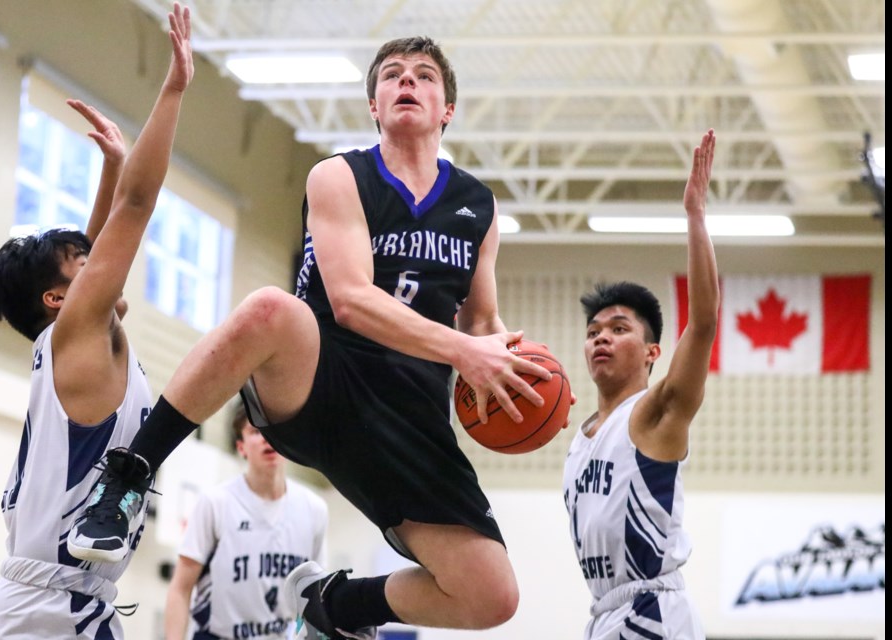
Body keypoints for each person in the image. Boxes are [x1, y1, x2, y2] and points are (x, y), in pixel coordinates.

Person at [68, 35, 555, 639]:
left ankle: (339, 605)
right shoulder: (338, 175)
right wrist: (465, 349)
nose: (408, 82)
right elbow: (350, 301)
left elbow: (480, 320)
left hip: (412, 411)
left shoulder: (476, 205)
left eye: (425, 76)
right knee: (273, 308)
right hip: (325, 377)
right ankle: (129, 476)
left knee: (491, 595)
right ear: (374, 104)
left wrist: (512, 362)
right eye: (393, 75)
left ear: (447, 108)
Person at [0, 4, 193, 638]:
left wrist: (109, 166)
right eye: (82, 264)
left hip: (62, 600)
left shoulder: (75, 339)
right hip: (48, 608)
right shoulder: (73, 334)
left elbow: (101, 239)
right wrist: (175, 87)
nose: (102, 267)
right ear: (56, 300)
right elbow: (136, 205)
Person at [562, 129, 717, 639]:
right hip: (606, 613)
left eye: (619, 329)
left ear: (652, 352)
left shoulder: (653, 414)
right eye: (593, 332)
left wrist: (695, 216)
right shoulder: (577, 439)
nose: (601, 338)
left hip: (652, 610)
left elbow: (705, 321)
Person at [164, 401, 329, 640]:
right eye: (255, 431)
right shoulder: (215, 503)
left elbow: (316, 594)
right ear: (241, 447)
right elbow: (180, 587)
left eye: (272, 430)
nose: (266, 438)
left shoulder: (314, 509)